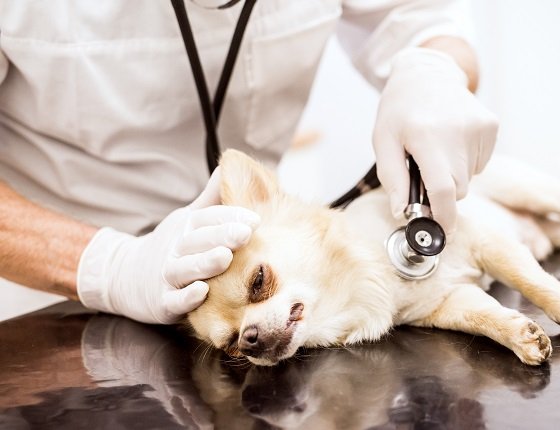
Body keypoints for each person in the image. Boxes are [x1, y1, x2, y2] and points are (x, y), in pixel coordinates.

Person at [0, 0, 498, 324]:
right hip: (50, 291)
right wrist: (110, 267)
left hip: (250, 287)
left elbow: (422, 17)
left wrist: (433, 69)